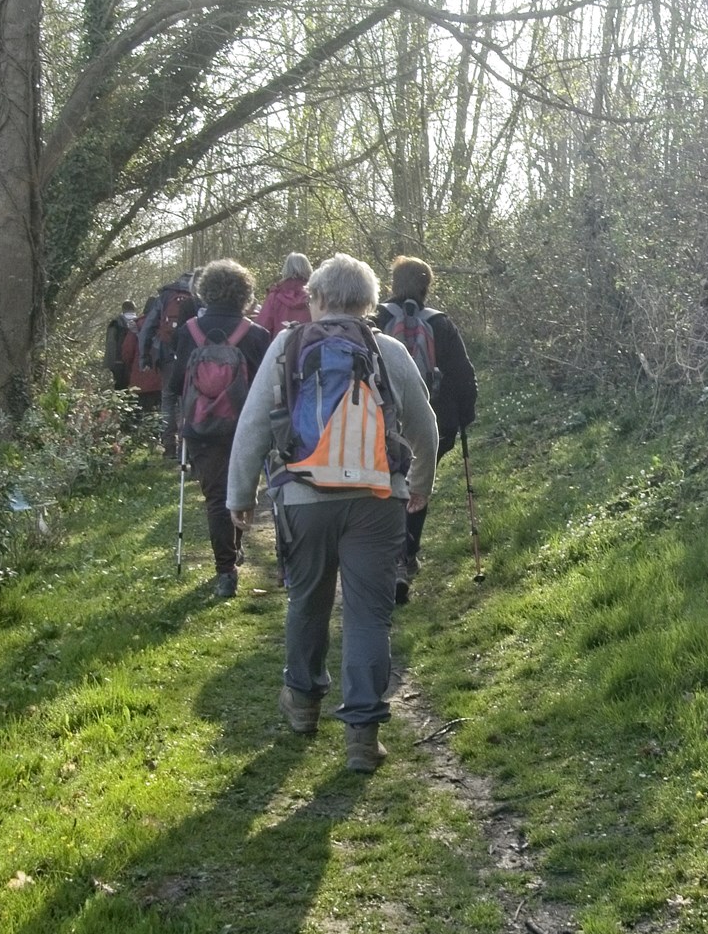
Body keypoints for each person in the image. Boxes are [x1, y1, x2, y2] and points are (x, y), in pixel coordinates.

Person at [227, 252, 436, 772]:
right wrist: (419, 486)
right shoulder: (386, 348)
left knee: (307, 602)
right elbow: (424, 428)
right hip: (377, 499)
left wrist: (239, 497)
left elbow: (252, 427)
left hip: (303, 495)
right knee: (369, 615)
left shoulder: (284, 345)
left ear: (314, 298)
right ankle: (363, 736)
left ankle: (301, 703)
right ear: (368, 302)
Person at [164, 260, 273, 599]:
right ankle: (234, 547)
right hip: (246, 426)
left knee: (215, 498)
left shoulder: (189, 333)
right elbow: (266, 386)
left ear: (204, 291)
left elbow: (177, 382)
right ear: (245, 294)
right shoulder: (256, 335)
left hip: (201, 427)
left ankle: (226, 572)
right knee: (241, 490)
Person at [375, 256, 477, 605]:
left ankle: (388, 557)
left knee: (390, 483)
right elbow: (464, 376)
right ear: (426, 286)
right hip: (436, 422)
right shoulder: (441, 324)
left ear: (392, 282)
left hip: (382, 424)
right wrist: (464, 417)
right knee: (417, 481)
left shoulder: (375, 320)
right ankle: (406, 555)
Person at [131, 269, 199, 436]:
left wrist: (144, 356)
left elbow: (148, 327)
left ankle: (168, 444)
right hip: (194, 353)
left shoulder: (165, 296)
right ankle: (185, 445)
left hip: (166, 352)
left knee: (168, 397)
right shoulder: (200, 296)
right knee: (189, 397)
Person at [254, 253, 312, 337]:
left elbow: (263, 326)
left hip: (280, 347)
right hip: (309, 345)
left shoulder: (275, 295)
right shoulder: (315, 296)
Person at [101, 299, 145, 393]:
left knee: (120, 389)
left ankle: (120, 406)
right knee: (135, 388)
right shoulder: (142, 323)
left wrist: (109, 364)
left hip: (118, 361)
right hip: (136, 362)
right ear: (134, 309)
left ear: (123, 309)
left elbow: (111, 343)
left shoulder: (116, 323)